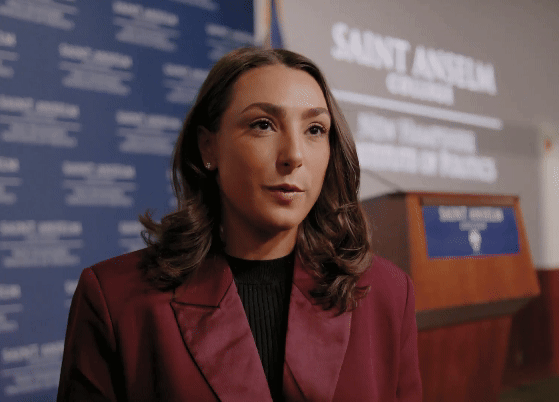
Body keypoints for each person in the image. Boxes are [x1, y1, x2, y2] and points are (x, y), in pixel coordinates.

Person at [57, 47, 422, 402]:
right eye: (263, 125)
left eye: (314, 129)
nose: (294, 155)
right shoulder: (116, 299)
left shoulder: (387, 293)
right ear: (208, 147)